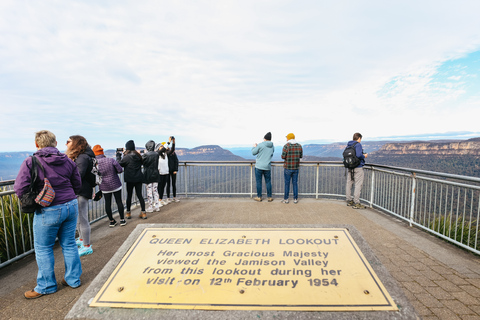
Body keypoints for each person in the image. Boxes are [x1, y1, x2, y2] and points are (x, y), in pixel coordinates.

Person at [14, 130, 82, 299]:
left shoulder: (31, 161)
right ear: (55, 143)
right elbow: (77, 184)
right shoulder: (67, 160)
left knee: (44, 248)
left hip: (49, 209)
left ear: (37, 144)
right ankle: (73, 280)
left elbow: (19, 188)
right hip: (71, 205)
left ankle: (46, 286)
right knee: (69, 244)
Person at [66, 135, 95, 256]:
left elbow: (79, 175)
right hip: (81, 190)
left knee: (82, 218)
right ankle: (82, 240)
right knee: (79, 217)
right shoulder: (84, 156)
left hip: (81, 190)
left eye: (68, 141)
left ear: (76, 144)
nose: (66, 144)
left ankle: (87, 246)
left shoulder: (82, 157)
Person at [92, 145, 126, 227]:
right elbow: (120, 170)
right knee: (119, 201)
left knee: (108, 203)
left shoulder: (95, 163)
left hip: (104, 186)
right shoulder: (110, 160)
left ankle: (111, 221)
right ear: (102, 152)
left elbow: (94, 175)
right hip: (116, 184)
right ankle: (122, 220)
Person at [116, 140, 146, 219]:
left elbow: (118, 163)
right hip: (139, 178)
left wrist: (118, 155)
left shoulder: (126, 157)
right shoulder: (138, 156)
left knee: (129, 196)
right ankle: (143, 213)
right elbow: (143, 162)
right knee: (140, 195)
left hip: (130, 179)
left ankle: (128, 213)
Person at [346, 132, 368, 209]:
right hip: (358, 167)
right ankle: (356, 202)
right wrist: (364, 156)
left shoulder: (349, 144)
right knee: (358, 185)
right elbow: (359, 155)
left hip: (350, 167)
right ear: (359, 138)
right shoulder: (358, 144)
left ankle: (349, 200)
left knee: (349, 184)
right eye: (360, 139)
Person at [252, 132, 274, 202]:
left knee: (259, 182)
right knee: (268, 182)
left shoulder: (260, 145)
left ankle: (259, 197)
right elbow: (271, 154)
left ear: (264, 138)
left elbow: (253, 153)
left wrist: (254, 146)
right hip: (267, 166)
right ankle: (269, 197)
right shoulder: (272, 146)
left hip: (259, 166)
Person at [281, 133, 303, 204]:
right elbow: (301, 156)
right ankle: (295, 199)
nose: (286, 139)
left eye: (287, 137)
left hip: (288, 167)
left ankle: (286, 199)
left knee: (287, 184)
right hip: (296, 168)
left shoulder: (286, 146)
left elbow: (283, 157)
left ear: (289, 138)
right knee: (295, 183)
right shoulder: (299, 146)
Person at [142, 140, 160, 212]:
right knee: (155, 190)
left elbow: (143, 162)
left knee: (149, 191)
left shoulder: (146, 155)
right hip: (156, 174)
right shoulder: (156, 154)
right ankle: (157, 206)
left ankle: (150, 207)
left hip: (148, 175)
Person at [157, 137, 175, 206]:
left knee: (163, 186)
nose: (162, 148)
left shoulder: (166, 154)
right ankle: (157, 200)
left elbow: (172, 150)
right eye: (161, 147)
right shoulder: (157, 154)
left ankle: (160, 199)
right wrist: (168, 142)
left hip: (166, 172)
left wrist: (173, 142)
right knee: (159, 187)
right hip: (160, 172)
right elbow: (162, 150)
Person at [166, 136, 179, 203]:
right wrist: (169, 142)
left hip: (173, 170)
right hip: (167, 171)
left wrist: (176, 170)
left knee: (174, 184)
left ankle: (174, 197)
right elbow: (170, 149)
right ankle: (168, 197)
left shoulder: (173, 154)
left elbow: (176, 161)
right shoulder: (165, 154)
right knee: (168, 184)